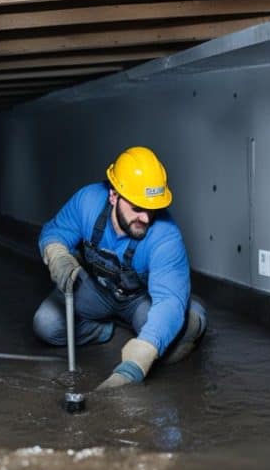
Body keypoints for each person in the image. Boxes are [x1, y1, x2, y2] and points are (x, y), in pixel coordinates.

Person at [33, 147, 206, 388]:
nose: (146, 218)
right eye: (137, 208)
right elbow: (55, 232)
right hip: (96, 289)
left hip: (140, 300)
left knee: (169, 342)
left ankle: (192, 313)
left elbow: (166, 302)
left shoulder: (166, 236)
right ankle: (104, 331)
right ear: (114, 196)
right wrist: (57, 254)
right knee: (46, 324)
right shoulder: (87, 201)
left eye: (152, 209)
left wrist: (134, 365)